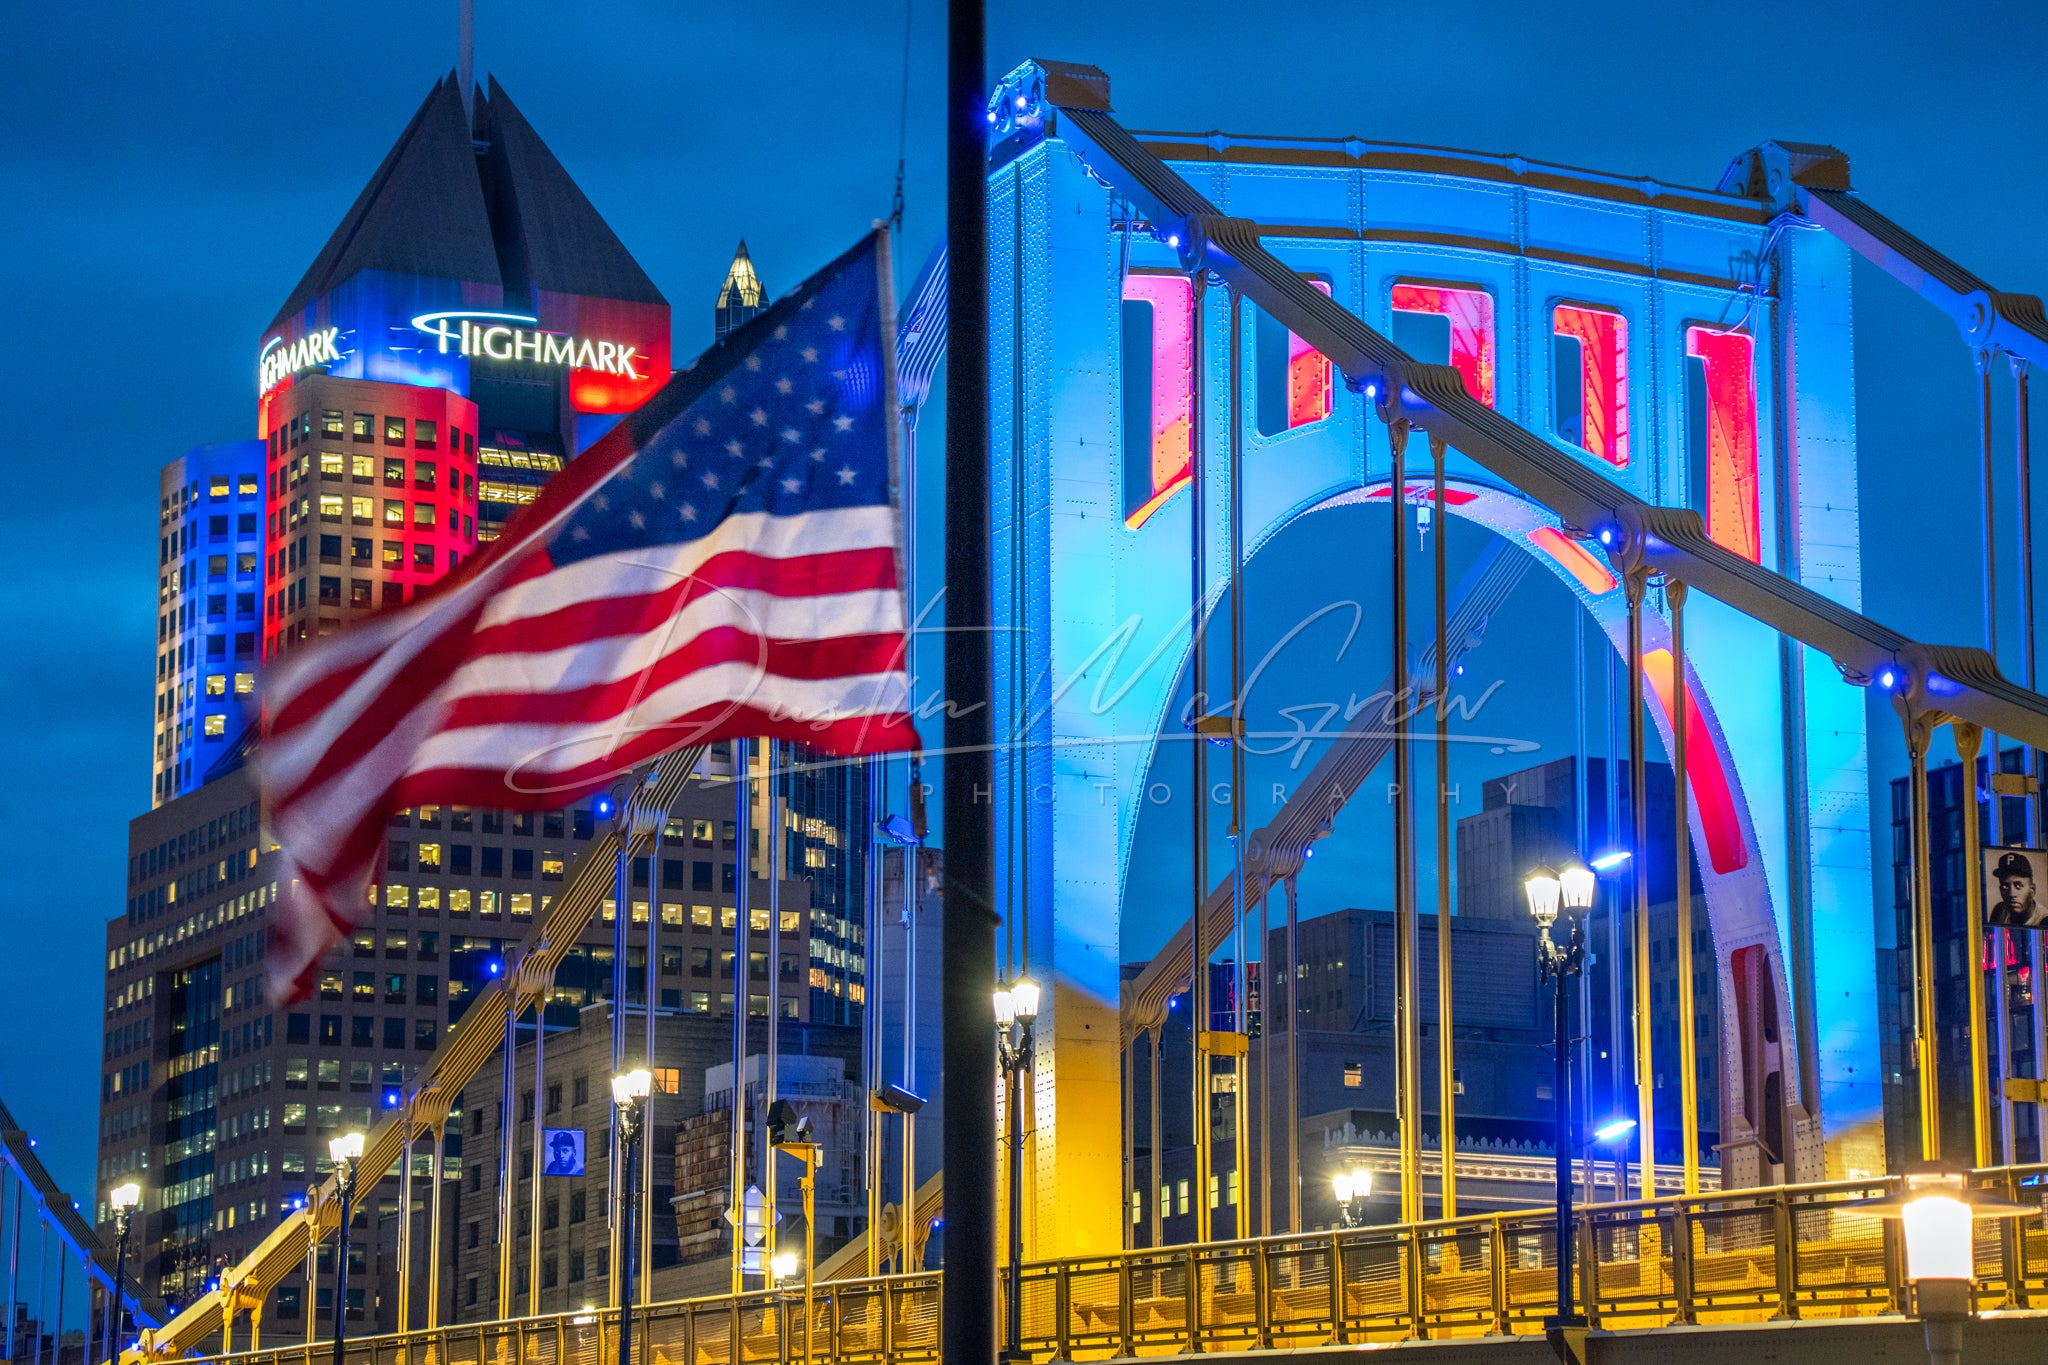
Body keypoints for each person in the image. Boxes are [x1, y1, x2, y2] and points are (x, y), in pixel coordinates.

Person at [1988, 850, 2042, 929]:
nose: (2012, 894)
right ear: (2000, 890)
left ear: (2032, 890)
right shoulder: (2000, 910)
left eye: (2018, 886)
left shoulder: (2044, 920)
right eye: (2005, 886)